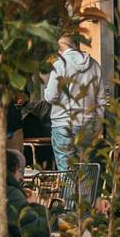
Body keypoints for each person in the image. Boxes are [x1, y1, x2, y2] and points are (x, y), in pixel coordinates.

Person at [44, 35, 105, 172]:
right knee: (85, 169)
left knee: (66, 170)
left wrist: (46, 91)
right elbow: (100, 100)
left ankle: (68, 194)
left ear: (60, 48)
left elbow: (51, 97)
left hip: (63, 123)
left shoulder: (59, 65)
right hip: (86, 123)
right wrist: (97, 126)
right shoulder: (95, 65)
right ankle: (85, 194)